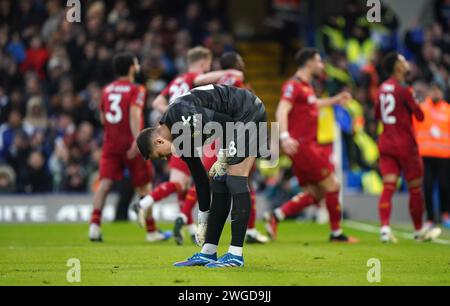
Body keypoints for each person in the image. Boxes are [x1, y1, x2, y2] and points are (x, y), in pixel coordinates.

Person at [136, 84, 269, 268]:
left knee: (235, 178)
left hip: (247, 110)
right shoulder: (178, 139)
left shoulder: (181, 115)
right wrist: (203, 216)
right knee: (218, 181)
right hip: (236, 120)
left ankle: (235, 255)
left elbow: (225, 122)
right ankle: (208, 252)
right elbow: (200, 178)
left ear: (159, 141)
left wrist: (223, 156)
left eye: (161, 155)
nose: (166, 159)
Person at [135, 47, 243, 237]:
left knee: (183, 183)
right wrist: (228, 72)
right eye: (208, 66)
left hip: (176, 129)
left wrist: (169, 116)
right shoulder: (194, 76)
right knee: (190, 180)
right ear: (203, 63)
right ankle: (159, 207)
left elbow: (157, 102)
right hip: (188, 129)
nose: (209, 70)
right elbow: (201, 81)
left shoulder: (176, 81)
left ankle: (187, 222)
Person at [173, 51, 269, 246]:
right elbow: (241, 105)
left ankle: (187, 219)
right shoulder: (237, 78)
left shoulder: (218, 79)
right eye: (240, 60)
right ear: (234, 64)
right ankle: (243, 238)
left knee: (216, 178)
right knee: (238, 180)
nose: (243, 63)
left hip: (217, 130)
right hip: (234, 127)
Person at [263, 48, 357, 243]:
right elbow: (281, 110)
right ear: (309, 63)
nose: (321, 65)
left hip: (306, 146)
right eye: (319, 61)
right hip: (303, 147)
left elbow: (313, 104)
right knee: (333, 185)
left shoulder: (307, 87)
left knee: (315, 193)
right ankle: (336, 233)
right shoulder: (293, 85)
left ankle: (276, 216)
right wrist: (285, 136)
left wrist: (335, 100)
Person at [89, 52, 165, 243]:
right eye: (137, 63)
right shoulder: (137, 89)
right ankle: (151, 231)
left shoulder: (107, 90)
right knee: (144, 186)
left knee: (105, 184)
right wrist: (136, 139)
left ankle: (94, 227)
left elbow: (102, 117)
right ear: (132, 67)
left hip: (111, 144)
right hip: (131, 144)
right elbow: (134, 113)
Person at [375, 52, 442, 243]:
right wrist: (416, 102)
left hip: (386, 142)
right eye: (403, 61)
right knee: (415, 188)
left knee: (388, 186)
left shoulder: (381, 89)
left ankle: (385, 229)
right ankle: (418, 230)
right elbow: (420, 116)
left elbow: (377, 115)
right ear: (397, 66)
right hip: (405, 145)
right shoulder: (405, 89)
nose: (407, 63)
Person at [413, 83, 450, 228]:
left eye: (438, 91)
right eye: (433, 90)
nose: (436, 94)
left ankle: (445, 214)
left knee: (445, 186)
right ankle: (430, 218)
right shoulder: (422, 109)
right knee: (427, 187)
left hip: (444, 155)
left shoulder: (447, 110)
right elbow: (414, 129)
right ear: (429, 92)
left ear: (441, 93)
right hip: (425, 154)